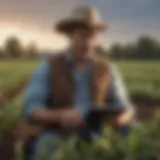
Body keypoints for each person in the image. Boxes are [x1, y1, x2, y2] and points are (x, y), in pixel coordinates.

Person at [23, 6, 135, 160]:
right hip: (59, 133)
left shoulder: (107, 68)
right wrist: (60, 116)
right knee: (48, 149)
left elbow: (125, 107)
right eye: (82, 36)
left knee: (134, 135)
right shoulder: (49, 67)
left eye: (92, 37)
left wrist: (120, 118)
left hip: (99, 132)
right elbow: (31, 108)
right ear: (70, 35)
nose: (88, 43)